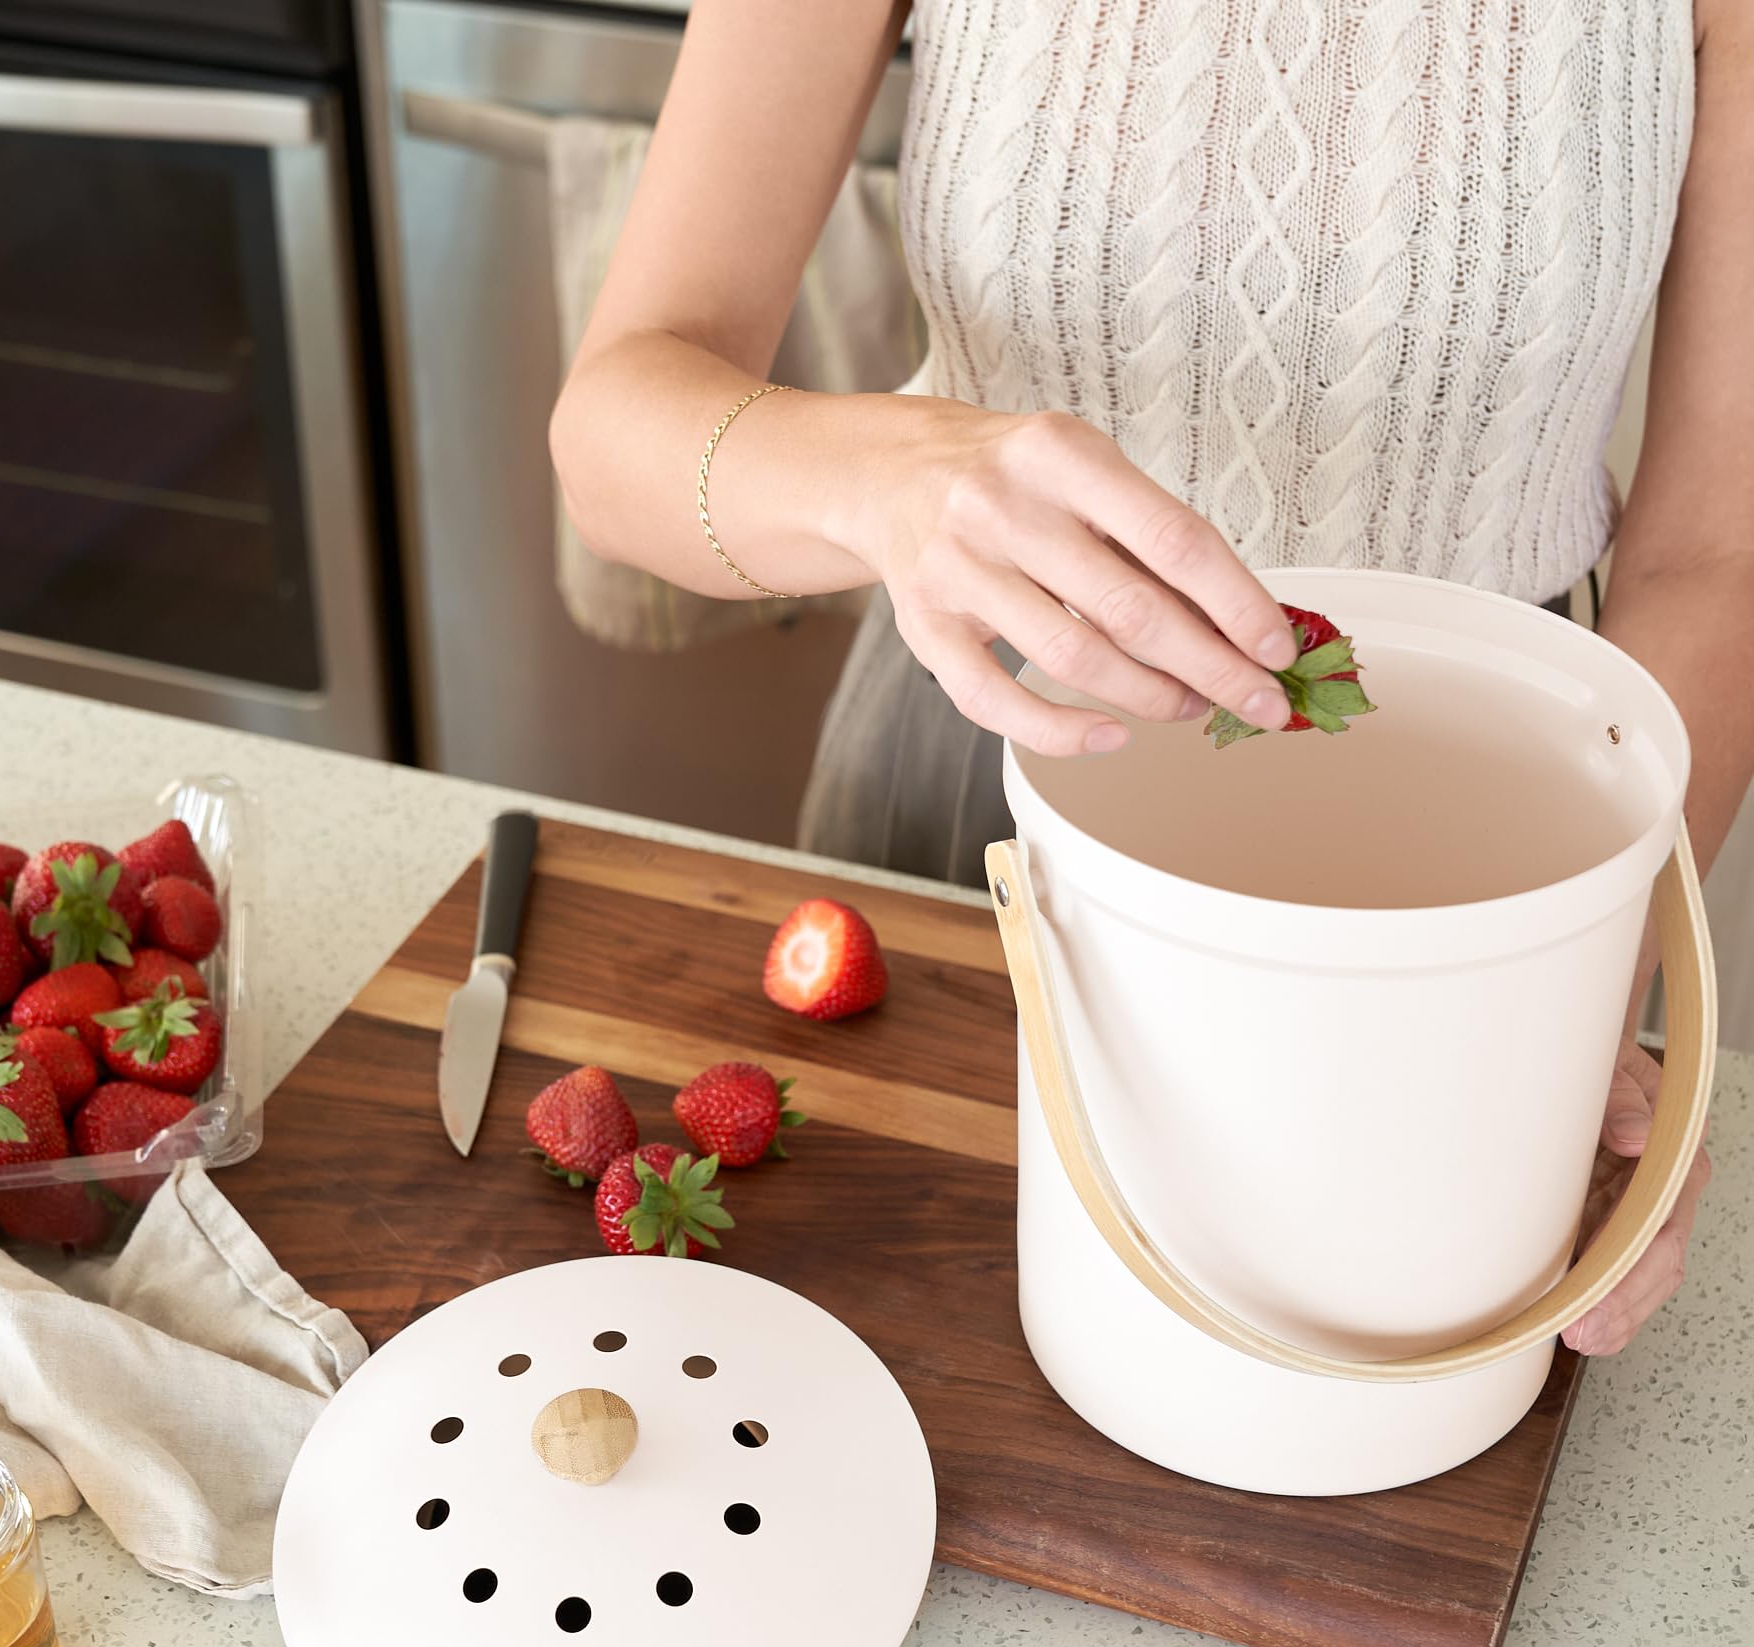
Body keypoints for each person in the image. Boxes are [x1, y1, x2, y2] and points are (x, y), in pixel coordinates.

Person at [550, 0, 1750, 1356]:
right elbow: (614, 434)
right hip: (986, 766)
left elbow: (1717, 551)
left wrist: (1580, 1001)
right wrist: (888, 475)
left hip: (1509, 851)